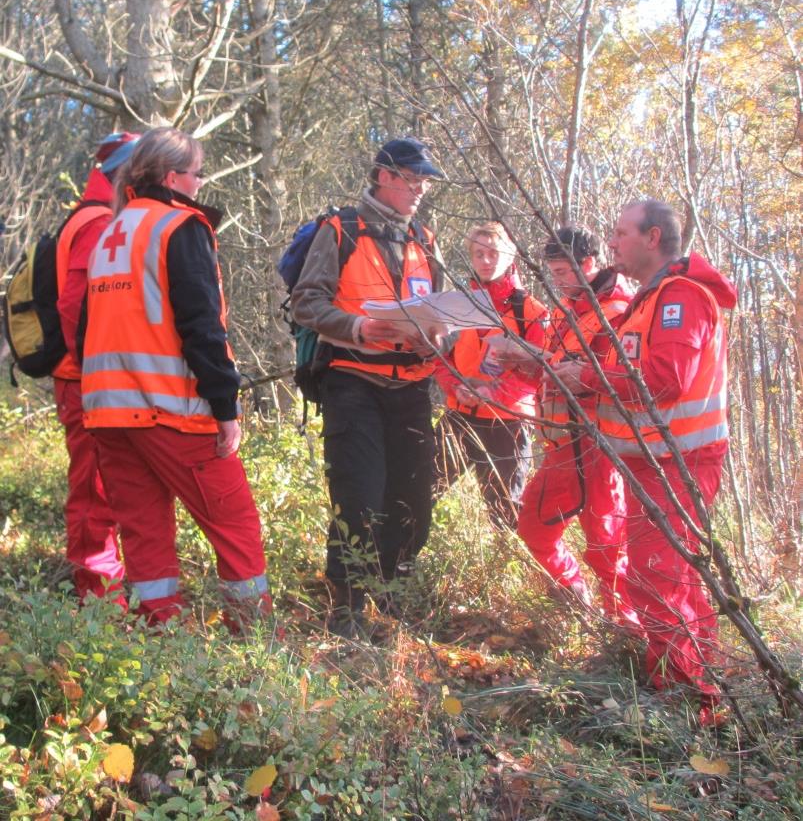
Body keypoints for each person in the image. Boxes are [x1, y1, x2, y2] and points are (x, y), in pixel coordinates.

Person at [553, 200, 735, 723]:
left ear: (653, 237)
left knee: (657, 576)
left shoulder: (680, 298)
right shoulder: (649, 300)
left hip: (679, 462)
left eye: (620, 233)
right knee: (675, 574)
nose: (611, 243)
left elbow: (664, 380)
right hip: (654, 462)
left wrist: (586, 379)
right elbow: (630, 367)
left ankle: (679, 701)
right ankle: (703, 678)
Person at [80, 127, 271, 627]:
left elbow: (86, 330)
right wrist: (225, 408)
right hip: (171, 411)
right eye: (198, 173)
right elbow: (201, 327)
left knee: (144, 531)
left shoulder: (111, 234)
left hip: (108, 413)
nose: (201, 183)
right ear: (172, 177)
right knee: (235, 524)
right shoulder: (178, 226)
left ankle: (158, 637)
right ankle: (253, 638)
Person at [291, 137, 444, 636]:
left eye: (424, 180)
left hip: (412, 389)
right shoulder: (340, 230)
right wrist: (357, 328)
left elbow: (439, 309)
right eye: (412, 178)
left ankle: (391, 600)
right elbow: (306, 303)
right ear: (384, 176)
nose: (421, 188)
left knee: (414, 503)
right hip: (353, 385)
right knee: (359, 500)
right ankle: (348, 613)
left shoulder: (425, 238)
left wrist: (441, 337)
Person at [514, 227, 642, 628]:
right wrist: (524, 362)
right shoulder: (566, 311)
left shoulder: (618, 312)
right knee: (534, 529)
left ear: (588, 264)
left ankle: (626, 630)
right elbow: (557, 371)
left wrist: (559, 369)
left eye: (563, 271)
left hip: (597, 448)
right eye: (552, 272)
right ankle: (577, 596)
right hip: (561, 447)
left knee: (607, 544)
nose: (557, 280)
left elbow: (623, 381)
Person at [54, 133, 139, 607]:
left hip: (90, 378)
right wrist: (97, 375)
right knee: (94, 493)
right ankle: (98, 604)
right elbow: (74, 306)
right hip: (85, 381)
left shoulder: (100, 216)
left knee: (109, 488)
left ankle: (108, 593)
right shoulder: (98, 221)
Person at [433, 222, 547, 530]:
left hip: (507, 423)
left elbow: (540, 373)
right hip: (459, 417)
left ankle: (510, 572)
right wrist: (455, 387)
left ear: (510, 255)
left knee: (505, 514)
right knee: (419, 490)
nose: (486, 260)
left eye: (494, 252)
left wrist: (494, 391)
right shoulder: (456, 306)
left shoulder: (532, 312)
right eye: (479, 253)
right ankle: (396, 566)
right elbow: (439, 357)